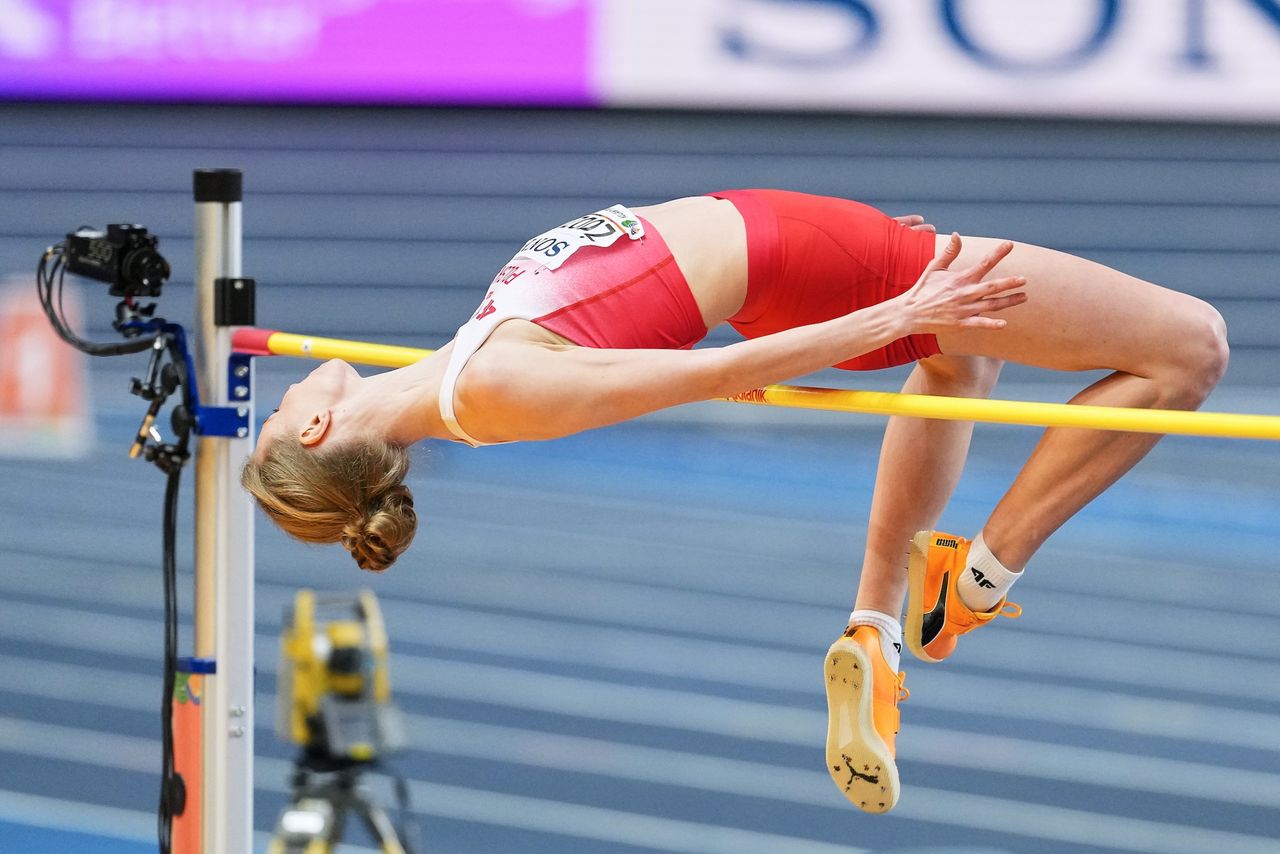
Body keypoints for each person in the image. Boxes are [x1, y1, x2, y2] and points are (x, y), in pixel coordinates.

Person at [241, 190, 1228, 814]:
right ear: (319, 430)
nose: (279, 400)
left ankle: (880, 625)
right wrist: (895, 310)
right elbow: (711, 377)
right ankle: (980, 573)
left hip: (784, 268)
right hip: (815, 264)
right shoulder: (491, 390)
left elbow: (621, 335)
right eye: (275, 420)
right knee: (1190, 348)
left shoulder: (439, 380)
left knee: (958, 362)